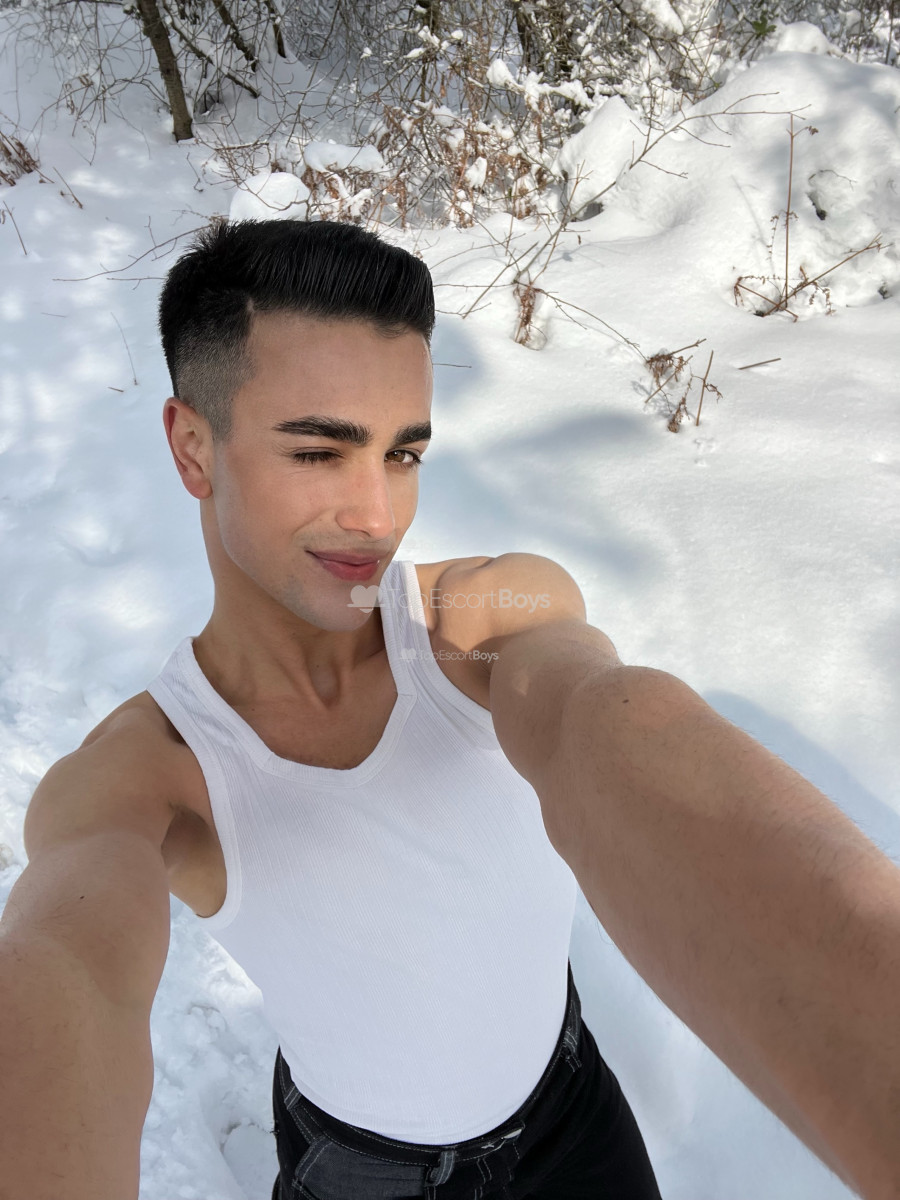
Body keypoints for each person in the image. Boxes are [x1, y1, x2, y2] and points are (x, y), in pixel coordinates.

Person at [0, 218, 898, 1200]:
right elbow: (67, 973)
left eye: (403, 454)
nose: (378, 516)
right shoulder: (148, 774)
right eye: (319, 451)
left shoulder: (478, 617)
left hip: (573, 1115)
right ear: (193, 448)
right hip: (363, 1177)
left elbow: (608, 721)